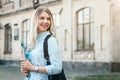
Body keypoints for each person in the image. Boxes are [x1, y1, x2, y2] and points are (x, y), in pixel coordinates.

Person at [20, 6, 62, 80]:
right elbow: (30, 68)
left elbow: (57, 67)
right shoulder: (32, 41)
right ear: (35, 20)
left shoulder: (51, 40)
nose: (46, 21)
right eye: (42, 18)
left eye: (48, 19)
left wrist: (34, 68)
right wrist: (25, 70)